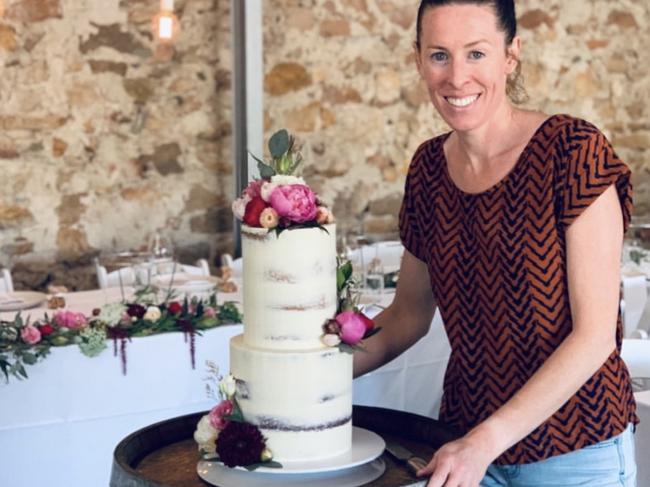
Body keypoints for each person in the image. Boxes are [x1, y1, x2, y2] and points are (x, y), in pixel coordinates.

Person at [353, 1, 638, 485]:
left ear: (511, 55)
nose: (457, 77)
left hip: (573, 453)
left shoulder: (573, 153)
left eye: (477, 54)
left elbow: (593, 339)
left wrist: (483, 441)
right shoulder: (427, 169)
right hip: (464, 447)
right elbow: (407, 317)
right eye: (439, 55)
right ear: (417, 58)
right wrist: (305, 385)